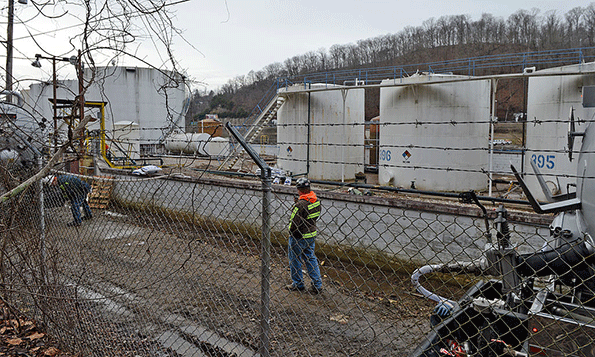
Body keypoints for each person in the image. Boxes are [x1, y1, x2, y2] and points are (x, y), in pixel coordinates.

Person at [286, 178, 323, 294]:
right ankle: (317, 284)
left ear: (299, 190)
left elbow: (293, 223)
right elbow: (311, 216)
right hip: (311, 235)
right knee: (310, 258)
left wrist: (297, 204)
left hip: (299, 236)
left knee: (295, 259)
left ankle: (298, 283)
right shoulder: (316, 200)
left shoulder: (300, 205)